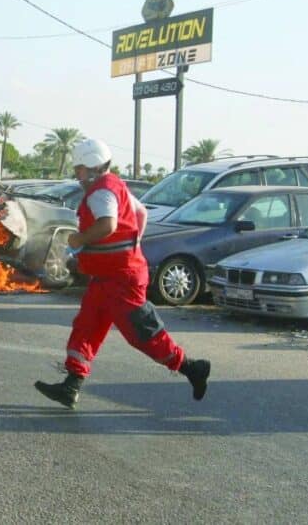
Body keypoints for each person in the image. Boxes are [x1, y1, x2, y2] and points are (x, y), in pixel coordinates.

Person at [34, 139, 210, 410]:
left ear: (92, 167)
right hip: (107, 277)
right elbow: (139, 213)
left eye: (79, 169)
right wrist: (133, 243)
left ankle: (191, 368)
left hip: (122, 279)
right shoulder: (112, 186)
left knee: (141, 333)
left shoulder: (100, 193)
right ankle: (71, 385)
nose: (76, 174)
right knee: (87, 325)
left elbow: (108, 225)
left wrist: (80, 239)